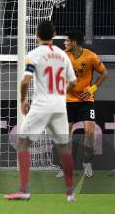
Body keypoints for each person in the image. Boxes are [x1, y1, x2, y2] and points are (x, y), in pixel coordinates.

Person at [6, 20, 77, 201]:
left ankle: (24, 190)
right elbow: (73, 82)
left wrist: (22, 100)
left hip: (41, 106)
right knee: (63, 147)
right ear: (54, 34)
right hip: (60, 107)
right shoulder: (63, 55)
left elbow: (25, 81)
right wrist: (61, 94)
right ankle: (70, 193)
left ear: (37, 34)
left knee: (23, 142)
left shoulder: (34, 54)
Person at [60, 30, 108, 178]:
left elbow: (104, 73)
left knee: (90, 131)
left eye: (67, 41)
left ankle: (87, 163)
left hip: (86, 100)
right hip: (69, 100)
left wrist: (94, 87)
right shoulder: (64, 55)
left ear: (74, 43)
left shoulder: (91, 56)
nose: (65, 43)